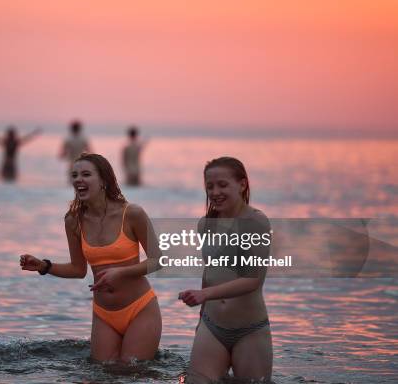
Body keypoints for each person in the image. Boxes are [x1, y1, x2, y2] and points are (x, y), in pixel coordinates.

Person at [20, 153, 162, 362]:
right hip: (104, 313)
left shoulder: (131, 213)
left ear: (103, 180)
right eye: (75, 175)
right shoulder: (73, 220)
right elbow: (78, 270)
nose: (78, 180)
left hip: (140, 308)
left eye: (86, 174)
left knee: (130, 371)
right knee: (102, 372)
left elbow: (158, 260)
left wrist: (120, 273)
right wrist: (44, 266)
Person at [179, 157, 272, 382]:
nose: (214, 191)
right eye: (209, 186)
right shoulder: (206, 224)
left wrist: (204, 295)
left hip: (249, 329)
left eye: (222, 184)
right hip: (212, 327)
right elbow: (209, 274)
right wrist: (201, 318)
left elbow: (253, 281)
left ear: (242, 184)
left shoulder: (256, 222)